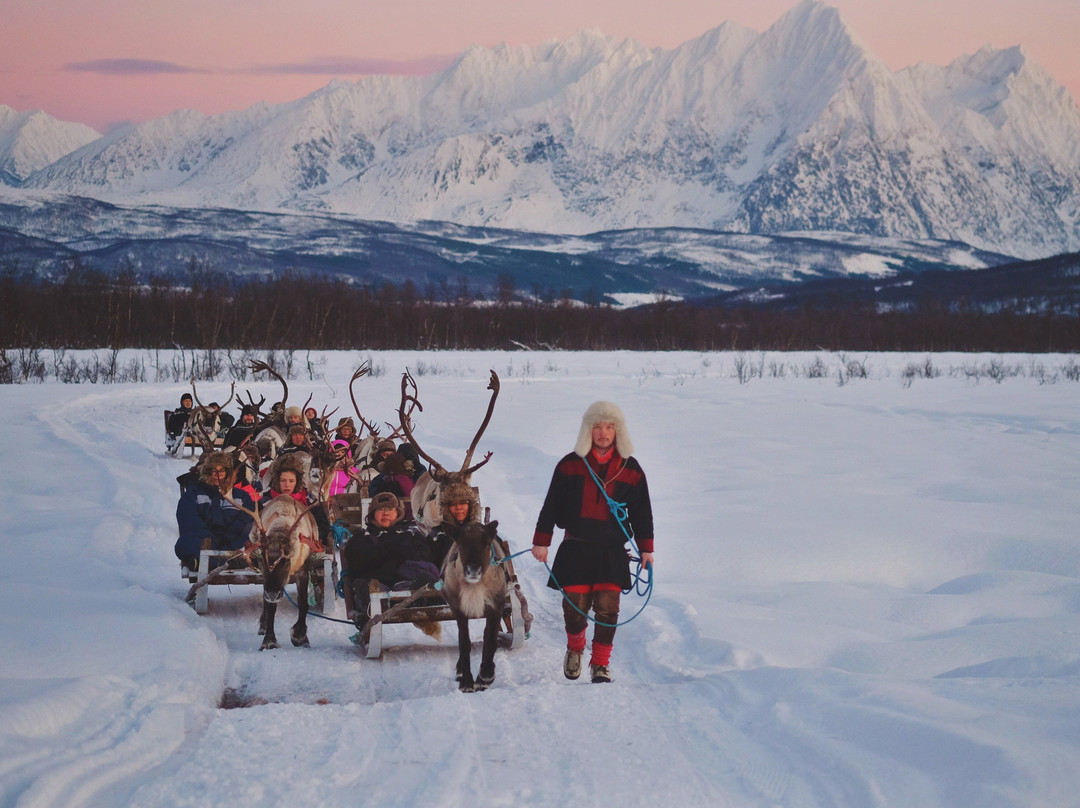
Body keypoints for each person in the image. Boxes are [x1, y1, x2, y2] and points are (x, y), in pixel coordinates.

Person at [531, 401, 654, 684]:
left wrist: (646, 548)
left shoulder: (631, 469)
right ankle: (575, 648)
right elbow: (551, 505)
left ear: (617, 431)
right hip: (576, 548)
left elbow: (642, 511)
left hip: (612, 552)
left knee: (609, 609)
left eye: (609, 427)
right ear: (589, 430)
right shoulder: (570, 465)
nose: (603, 433)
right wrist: (541, 541)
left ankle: (600, 663)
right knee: (574, 608)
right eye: (597, 426)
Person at [342, 491, 440, 629]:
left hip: (407, 578)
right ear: (372, 513)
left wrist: (399, 558)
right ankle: (373, 606)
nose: (385, 513)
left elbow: (425, 555)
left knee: (417, 579)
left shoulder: (411, 532)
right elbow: (357, 562)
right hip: (378, 580)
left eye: (390, 509)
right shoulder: (363, 536)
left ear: (398, 513)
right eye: (380, 509)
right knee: (370, 587)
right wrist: (387, 555)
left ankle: (421, 599)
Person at [174, 451, 256, 573]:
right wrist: (210, 539)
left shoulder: (241, 496)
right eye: (214, 471)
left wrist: (229, 538)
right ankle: (228, 562)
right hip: (204, 541)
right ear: (207, 472)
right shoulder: (194, 493)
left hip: (233, 542)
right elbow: (189, 519)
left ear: (228, 473)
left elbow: (246, 520)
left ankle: (204, 562)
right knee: (184, 544)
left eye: (222, 471)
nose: (218, 475)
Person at [260, 453, 330, 549]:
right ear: (277, 480)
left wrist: (319, 538)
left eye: (291, 481)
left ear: (297, 481)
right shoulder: (266, 499)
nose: (287, 485)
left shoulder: (308, 498)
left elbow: (322, 522)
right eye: (283, 480)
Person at [425, 480, 479, 568]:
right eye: (453, 504)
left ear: (471, 505)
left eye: (463, 502)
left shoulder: (481, 533)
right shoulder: (437, 535)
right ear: (446, 508)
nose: (458, 507)